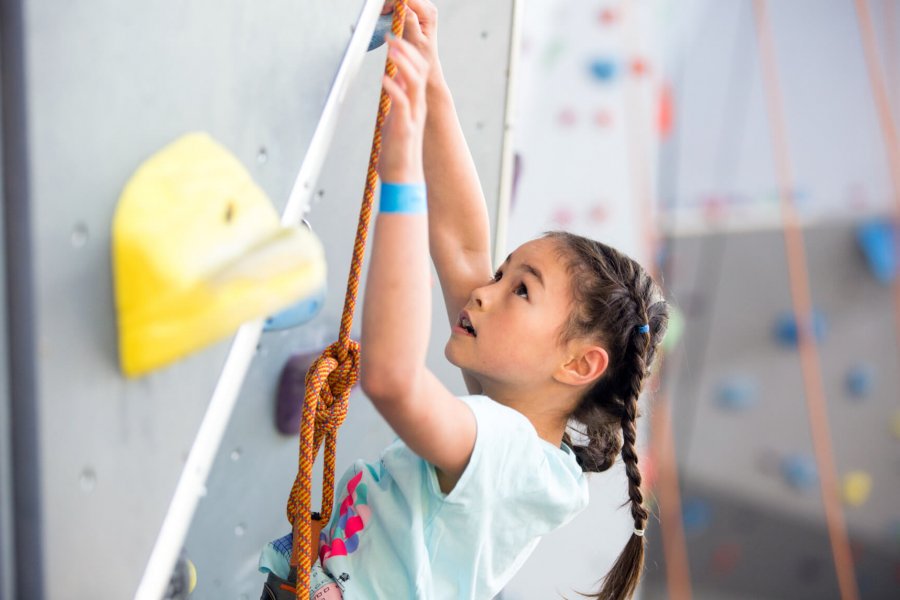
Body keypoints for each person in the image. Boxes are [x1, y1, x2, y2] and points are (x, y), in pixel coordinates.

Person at [259, 1, 668, 598]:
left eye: (521, 290)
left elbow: (395, 380)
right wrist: (431, 83)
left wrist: (401, 175)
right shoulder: (520, 428)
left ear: (578, 364)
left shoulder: (509, 458)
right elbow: (462, 249)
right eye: (504, 275)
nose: (485, 291)